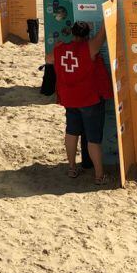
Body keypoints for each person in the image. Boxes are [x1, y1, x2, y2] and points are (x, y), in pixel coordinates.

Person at [55, 21, 108, 185]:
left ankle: (71, 168)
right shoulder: (90, 48)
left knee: (71, 133)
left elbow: (48, 59)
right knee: (93, 139)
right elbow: (102, 35)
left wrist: (59, 47)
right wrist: (107, 16)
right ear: (87, 35)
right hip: (88, 99)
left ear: (72, 33)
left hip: (69, 100)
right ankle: (99, 175)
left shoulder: (60, 49)